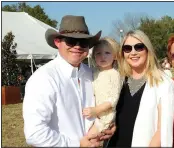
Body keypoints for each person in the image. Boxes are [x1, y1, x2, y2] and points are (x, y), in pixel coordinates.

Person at [23, 15, 114, 147]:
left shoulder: (92, 74)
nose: (77, 46)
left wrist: (109, 127)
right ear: (57, 42)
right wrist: (77, 144)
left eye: (83, 42)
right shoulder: (43, 78)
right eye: (71, 41)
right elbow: (35, 133)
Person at [107, 30, 174, 147]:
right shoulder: (119, 80)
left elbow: (163, 131)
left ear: (147, 50)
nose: (133, 52)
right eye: (127, 48)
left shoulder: (164, 83)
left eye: (139, 47)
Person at [82, 37, 122, 136]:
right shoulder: (94, 72)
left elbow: (113, 99)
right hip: (94, 115)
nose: (102, 57)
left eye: (107, 53)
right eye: (98, 53)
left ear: (115, 56)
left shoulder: (114, 74)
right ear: (94, 56)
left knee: (88, 139)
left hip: (104, 117)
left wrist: (96, 110)